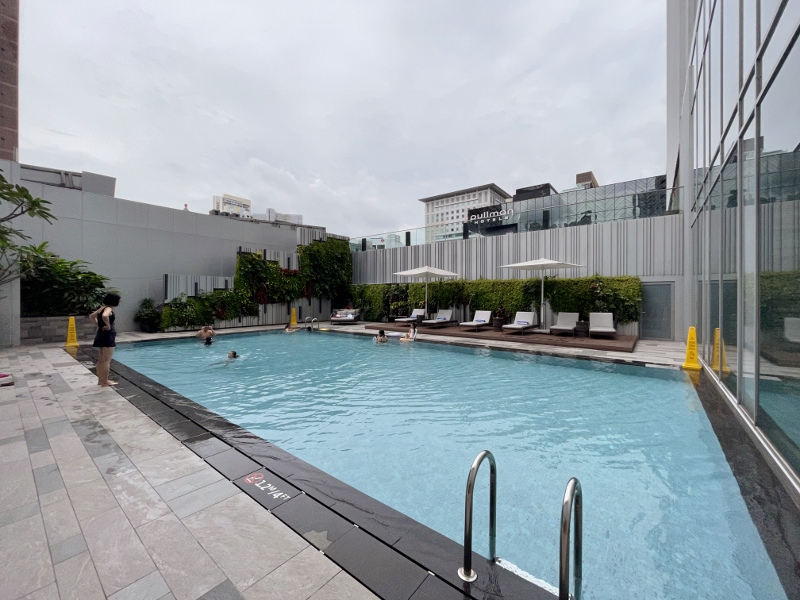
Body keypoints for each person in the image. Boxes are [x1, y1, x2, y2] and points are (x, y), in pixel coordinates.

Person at [90, 293, 121, 386]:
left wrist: (98, 325)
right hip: (108, 336)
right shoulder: (108, 309)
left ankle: (100, 380)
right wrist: (107, 325)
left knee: (101, 360)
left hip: (101, 334)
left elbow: (91, 316)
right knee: (106, 360)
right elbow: (105, 316)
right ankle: (105, 381)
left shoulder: (102, 308)